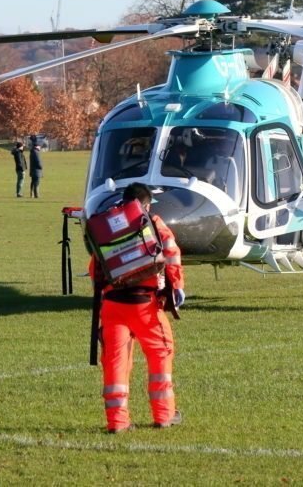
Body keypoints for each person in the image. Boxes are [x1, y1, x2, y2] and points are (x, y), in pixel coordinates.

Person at [90, 183, 185, 434]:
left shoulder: (107, 227)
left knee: (115, 363)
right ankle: (164, 415)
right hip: (144, 306)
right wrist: (176, 287)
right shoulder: (151, 222)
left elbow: (95, 268)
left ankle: (117, 422)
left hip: (112, 306)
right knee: (160, 354)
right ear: (146, 203)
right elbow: (171, 253)